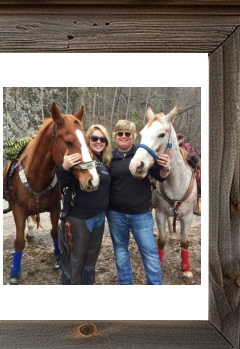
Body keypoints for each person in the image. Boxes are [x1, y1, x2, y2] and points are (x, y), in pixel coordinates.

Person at [106, 120, 171, 285]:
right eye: (120, 133)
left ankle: (155, 284)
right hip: (115, 214)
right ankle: (125, 283)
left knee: (149, 252)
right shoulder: (109, 157)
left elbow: (159, 175)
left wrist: (165, 168)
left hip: (140, 213)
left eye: (128, 133)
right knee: (120, 251)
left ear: (133, 136)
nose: (124, 136)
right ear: (115, 136)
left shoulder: (144, 153)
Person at [58, 124, 112, 285]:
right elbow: (63, 182)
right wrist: (65, 167)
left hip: (99, 218)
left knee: (90, 261)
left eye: (102, 139)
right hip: (79, 217)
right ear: (87, 140)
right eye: (94, 138)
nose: (98, 141)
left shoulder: (107, 160)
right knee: (75, 261)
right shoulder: (78, 156)